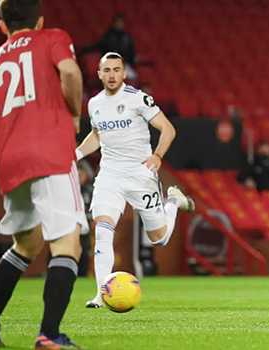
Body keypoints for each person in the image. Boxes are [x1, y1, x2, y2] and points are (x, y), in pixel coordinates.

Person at [0, 0, 87, 348]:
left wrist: (7, 144)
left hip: (12, 163)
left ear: (2, 25)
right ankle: (49, 334)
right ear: (39, 20)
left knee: (26, 244)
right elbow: (71, 72)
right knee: (68, 244)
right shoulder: (52, 37)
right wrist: (74, 113)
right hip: (51, 154)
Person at [76, 52, 195, 309]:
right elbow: (96, 136)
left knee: (159, 238)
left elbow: (168, 129)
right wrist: (74, 154)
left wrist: (158, 155)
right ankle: (100, 295)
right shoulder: (94, 104)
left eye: (116, 70)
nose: (111, 75)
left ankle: (173, 201)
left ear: (123, 73)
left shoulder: (138, 98)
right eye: (106, 70)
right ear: (99, 74)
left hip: (140, 173)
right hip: (109, 174)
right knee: (103, 229)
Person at [84, 15, 138, 81]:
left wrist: (132, 61)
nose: (119, 24)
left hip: (123, 63)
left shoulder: (126, 37)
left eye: (121, 23)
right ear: (113, 23)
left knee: (132, 77)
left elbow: (132, 51)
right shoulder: (107, 36)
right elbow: (99, 47)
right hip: (109, 63)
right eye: (117, 22)